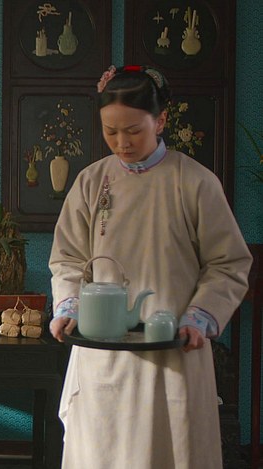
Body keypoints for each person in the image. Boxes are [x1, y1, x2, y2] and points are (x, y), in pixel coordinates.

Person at [49, 65, 252, 468]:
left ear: (160, 121)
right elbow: (68, 258)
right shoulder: (91, 182)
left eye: (133, 131)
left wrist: (198, 318)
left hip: (172, 348)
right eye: (110, 131)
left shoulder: (194, 182)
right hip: (104, 352)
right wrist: (69, 306)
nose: (121, 143)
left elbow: (228, 263)